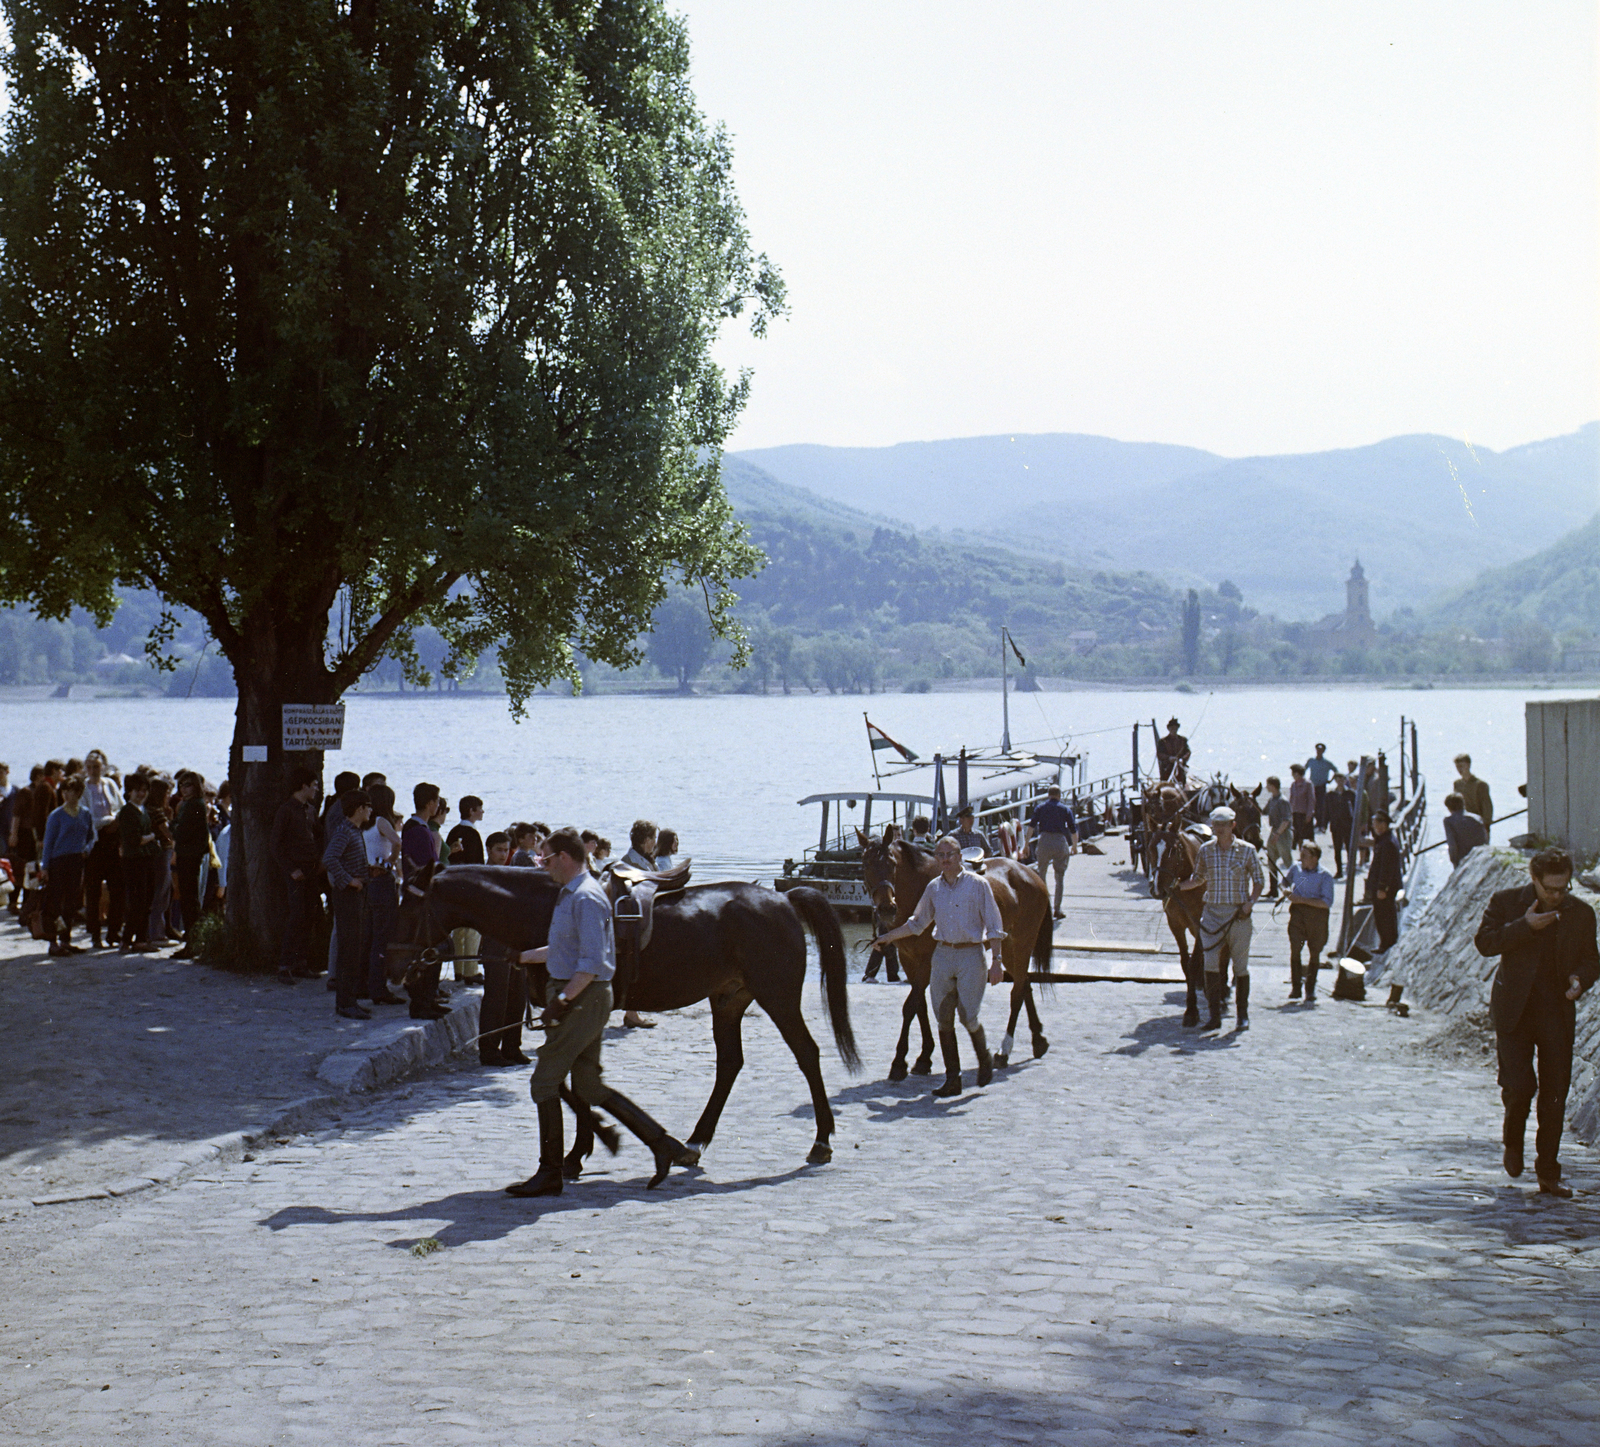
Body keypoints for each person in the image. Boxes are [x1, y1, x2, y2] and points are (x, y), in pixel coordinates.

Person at [506, 828, 692, 1197]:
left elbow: (591, 962)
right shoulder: (572, 894)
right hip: (582, 995)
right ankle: (663, 1145)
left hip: (584, 996)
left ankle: (550, 1172)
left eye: (545, 858)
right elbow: (567, 949)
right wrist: (524, 957)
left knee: (544, 1081)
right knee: (588, 1086)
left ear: (564, 857)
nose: (542, 866)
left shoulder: (586, 898)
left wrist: (562, 1001)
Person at [1474, 847, 1598, 1197]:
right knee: (1519, 1086)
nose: (1557, 896)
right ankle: (1513, 1142)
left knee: (1554, 1094)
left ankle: (1548, 1172)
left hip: (1556, 1012)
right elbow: (1484, 942)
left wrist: (1579, 980)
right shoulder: (1507, 902)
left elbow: (1592, 959)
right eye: (1550, 890)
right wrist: (1524, 927)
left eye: (1563, 889)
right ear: (1535, 880)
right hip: (1515, 1009)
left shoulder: (1582, 914)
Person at [869, 834, 1005, 1098]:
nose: (944, 860)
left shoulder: (978, 885)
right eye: (940, 855)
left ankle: (984, 1056)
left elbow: (994, 925)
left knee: (968, 1016)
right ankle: (952, 1079)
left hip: (970, 955)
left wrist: (997, 961)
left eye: (949, 855)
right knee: (943, 1018)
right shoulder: (933, 888)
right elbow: (917, 923)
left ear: (960, 857)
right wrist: (887, 936)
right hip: (942, 955)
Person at [1179, 805, 1263, 1032]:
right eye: (1216, 825)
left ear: (1233, 826)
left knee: (1240, 966)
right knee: (1211, 965)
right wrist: (1177, 887)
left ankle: (1242, 1015)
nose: (1220, 829)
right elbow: (1197, 878)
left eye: (1224, 825)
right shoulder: (1206, 851)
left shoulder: (1247, 850)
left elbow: (1259, 880)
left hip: (1238, 915)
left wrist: (1250, 902)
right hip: (1213, 915)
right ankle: (1214, 1016)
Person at [477, 831, 531, 1067]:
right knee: (496, 998)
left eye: (506, 850)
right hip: (494, 943)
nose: (503, 855)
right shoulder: (482, 875)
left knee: (517, 997)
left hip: (514, 942)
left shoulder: (511, 874)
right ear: (489, 850)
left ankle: (512, 1047)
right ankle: (489, 1050)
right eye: (498, 850)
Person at [323, 787, 374, 1020]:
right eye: (368, 806)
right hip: (348, 896)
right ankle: (345, 1003)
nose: (371, 811)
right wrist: (348, 881)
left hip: (357, 893)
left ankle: (349, 999)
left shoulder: (354, 830)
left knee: (355, 948)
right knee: (349, 949)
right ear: (360, 808)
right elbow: (329, 858)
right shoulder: (345, 830)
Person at [401, 783, 450, 1019]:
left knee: (433, 950)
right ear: (431, 803)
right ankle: (422, 1002)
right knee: (427, 950)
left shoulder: (417, 828)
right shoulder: (418, 831)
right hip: (422, 899)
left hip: (423, 896)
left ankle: (429, 998)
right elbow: (426, 867)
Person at [270, 767, 323, 983]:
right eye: (314, 785)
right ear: (304, 786)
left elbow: (316, 835)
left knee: (309, 915)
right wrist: (291, 869)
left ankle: (301, 962)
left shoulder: (309, 809)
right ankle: (285, 964)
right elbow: (275, 844)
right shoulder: (286, 810)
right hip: (296, 871)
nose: (317, 789)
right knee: (296, 916)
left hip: (311, 869)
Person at [39, 775, 96, 956]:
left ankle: (66, 939)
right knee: (54, 902)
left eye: (71, 790)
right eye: (65, 790)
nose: (67, 794)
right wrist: (45, 867)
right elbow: (48, 843)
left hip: (76, 860)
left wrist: (86, 849)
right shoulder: (56, 816)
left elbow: (91, 836)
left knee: (71, 902)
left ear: (79, 792)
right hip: (58, 861)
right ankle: (53, 942)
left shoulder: (85, 813)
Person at [362, 783, 406, 1005]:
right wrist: (391, 860)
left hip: (369, 879)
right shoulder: (382, 821)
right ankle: (379, 987)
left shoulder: (365, 824)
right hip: (383, 879)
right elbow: (398, 842)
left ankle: (367, 983)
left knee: (371, 934)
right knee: (382, 936)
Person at [80, 750, 124, 949]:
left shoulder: (110, 784)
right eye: (89, 767)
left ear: (103, 767)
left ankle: (114, 931)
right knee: (93, 891)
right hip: (95, 842)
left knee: (117, 889)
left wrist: (116, 822)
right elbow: (85, 818)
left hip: (112, 840)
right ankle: (94, 933)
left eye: (96, 767)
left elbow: (121, 808)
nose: (93, 771)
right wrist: (107, 821)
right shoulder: (83, 788)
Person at [1283, 842, 1334, 1001]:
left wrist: (1301, 900)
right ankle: (1296, 987)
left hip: (1317, 917)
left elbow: (1326, 903)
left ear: (1315, 858)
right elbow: (1284, 882)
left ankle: (1310, 989)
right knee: (1295, 950)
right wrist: (1285, 890)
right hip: (1298, 914)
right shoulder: (1296, 868)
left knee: (1314, 953)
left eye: (1305, 855)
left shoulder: (1325, 876)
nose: (1301, 858)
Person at [116, 773, 159, 952]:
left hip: (146, 859)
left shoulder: (143, 810)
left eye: (144, 791)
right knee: (137, 901)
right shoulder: (127, 812)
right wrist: (152, 837)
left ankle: (141, 939)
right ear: (129, 792)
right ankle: (126, 939)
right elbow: (134, 840)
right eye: (137, 791)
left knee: (147, 900)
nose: (141, 794)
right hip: (134, 861)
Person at [446, 796, 486, 985]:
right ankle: (471, 971)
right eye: (480, 808)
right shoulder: (473, 834)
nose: (482, 812)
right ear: (471, 810)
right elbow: (478, 864)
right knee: (472, 930)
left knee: (458, 931)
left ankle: (459, 970)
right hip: (470, 886)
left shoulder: (454, 831)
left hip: (454, 886)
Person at [171, 771, 211, 959]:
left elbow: (180, 832)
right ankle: (193, 941)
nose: (183, 789)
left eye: (187, 785)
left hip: (189, 856)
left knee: (189, 900)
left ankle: (193, 943)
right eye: (181, 785)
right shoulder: (193, 805)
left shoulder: (194, 805)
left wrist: (172, 822)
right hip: (189, 855)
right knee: (189, 899)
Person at [1026, 783, 1078, 920]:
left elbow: (1031, 827)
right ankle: (1057, 909)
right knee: (1059, 877)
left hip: (1044, 841)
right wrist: (1074, 846)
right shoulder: (1065, 810)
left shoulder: (1040, 808)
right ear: (1059, 796)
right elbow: (1073, 830)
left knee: (1041, 875)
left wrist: (1026, 844)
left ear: (1048, 795)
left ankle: (1044, 908)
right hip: (1060, 841)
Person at [1366, 811, 1402, 957]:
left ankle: (1387, 944)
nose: (1375, 828)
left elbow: (1387, 868)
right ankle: (1386, 942)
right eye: (1374, 825)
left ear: (1384, 824)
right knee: (1383, 915)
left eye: (1377, 825)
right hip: (1382, 886)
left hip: (1385, 888)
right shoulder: (1384, 839)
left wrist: (1382, 888)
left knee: (1384, 916)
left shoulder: (1387, 843)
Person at [1262, 776, 1292, 899]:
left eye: (1268, 785)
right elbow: (1263, 811)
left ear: (1273, 786)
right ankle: (1273, 890)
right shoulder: (1272, 800)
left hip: (1282, 833)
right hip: (1274, 831)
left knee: (1288, 861)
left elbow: (1286, 820)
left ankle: (1297, 887)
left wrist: (1278, 834)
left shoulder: (1282, 801)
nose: (1266, 787)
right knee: (1271, 861)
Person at [1443, 792, 1489, 869]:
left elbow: (1452, 844)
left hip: (1462, 858)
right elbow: (1485, 839)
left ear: (1449, 807)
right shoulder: (1477, 818)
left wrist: (1453, 860)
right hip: (1479, 856)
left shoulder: (1449, 821)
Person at [1453, 754, 1493, 838]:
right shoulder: (1457, 784)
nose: (1459, 769)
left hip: (1478, 824)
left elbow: (1487, 807)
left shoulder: (1480, 785)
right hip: (1463, 824)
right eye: (1457, 767)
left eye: (1461, 766)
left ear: (1468, 765)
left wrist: (1486, 825)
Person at [1325, 773, 1353, 880]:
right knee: (1337, 849)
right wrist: (1324, 824)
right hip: (1336, 826)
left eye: (1342, 779)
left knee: (1349, 848)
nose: (1340, 781)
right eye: (1338, 779)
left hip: (1348, 825)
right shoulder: (1331, 795)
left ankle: (1350, 870)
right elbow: (1327, 811)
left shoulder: (1350, 794)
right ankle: (1339, 871)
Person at [1305, 743, 1338, 833]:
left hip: (1322, 786)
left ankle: (1321, 823)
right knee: (1313, 804)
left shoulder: (1327, 763)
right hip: (1312, 785)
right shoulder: (1311, 761)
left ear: (1323, 751)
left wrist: (1330, 780)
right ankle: (1314, 822)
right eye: (1318, 749)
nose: (1319, 751)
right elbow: (1304, 769)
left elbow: (1336, 770)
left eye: (1321, 750)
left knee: (1321, 805)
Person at [1156, 718, 1190, 783]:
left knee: (1181, 783)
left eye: (1175, 728)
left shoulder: (1183, 740)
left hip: (1180, 768)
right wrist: (1169, 758)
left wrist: (1182, 759)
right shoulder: (1163, 741)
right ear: (1169, 729)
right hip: (1167, 769)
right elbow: (1159, 754)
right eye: (1172, 728)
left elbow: (1187, 752)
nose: (1174, 730)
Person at [1288, 764, 1314, 846]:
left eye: (1293, 773)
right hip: (1295, 813)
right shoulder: (1293, 785)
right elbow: (1291, 799)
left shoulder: (1308, 784)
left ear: (1298, 773)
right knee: (1298, 835)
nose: (1292, 775)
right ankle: (1301, 853)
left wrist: (1309, 814)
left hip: (1305, 813)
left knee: (1309, 835)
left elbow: (1311, 800)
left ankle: (1313, 851)